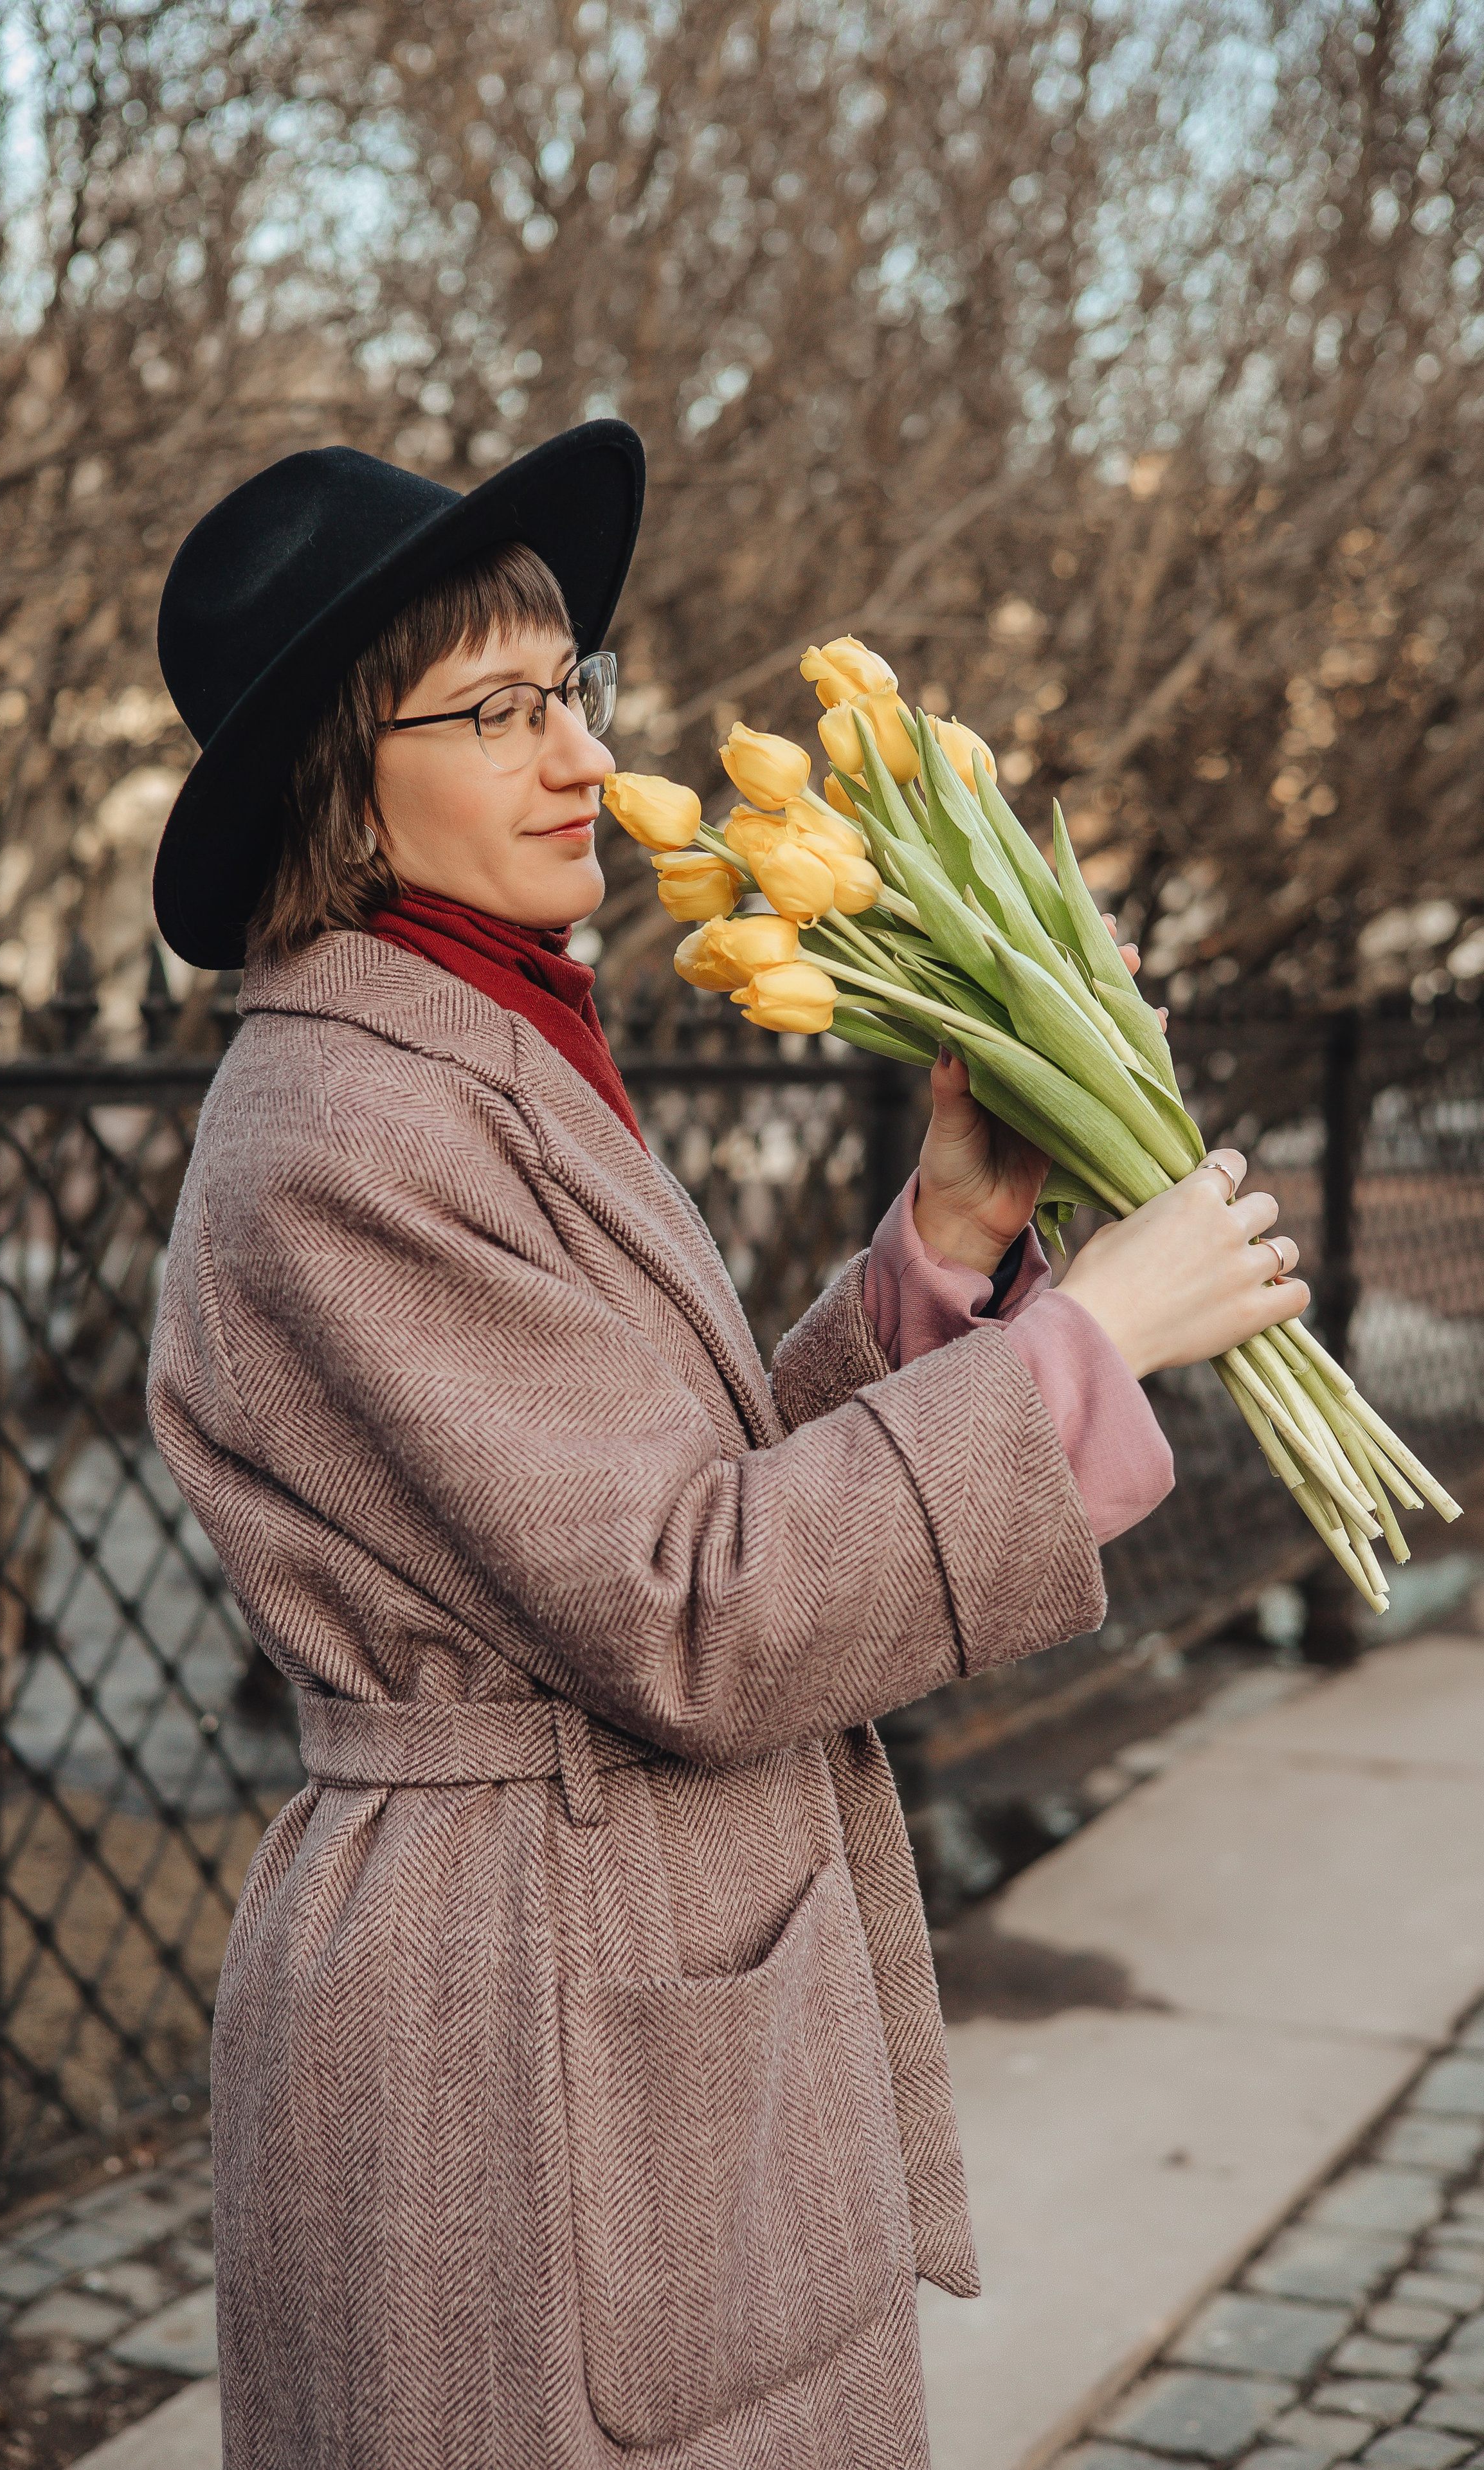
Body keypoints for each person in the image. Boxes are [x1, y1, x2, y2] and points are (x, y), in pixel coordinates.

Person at [147, 421, 1306, 2470]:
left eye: (571, 687)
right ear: (342, 775)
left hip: (611, 1952)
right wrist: (1095, 1337)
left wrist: (950, 1248)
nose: (583, 756)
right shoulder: (343, 1129)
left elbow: (665, 1505)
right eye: (500, 711)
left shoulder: (489, 1036)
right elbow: (693, 1613)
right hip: (515, 2012)